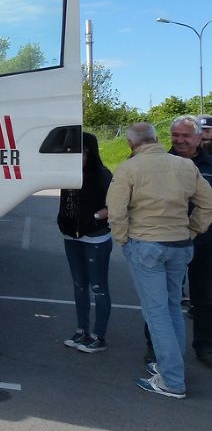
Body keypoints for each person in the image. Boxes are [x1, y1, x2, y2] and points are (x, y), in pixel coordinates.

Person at [107, 122, 212, 399]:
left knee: (156, 313)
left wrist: (123, 239)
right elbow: (208, 202)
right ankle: (172, 368)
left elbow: (116, 211)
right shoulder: (186, 166)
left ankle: (173, 380)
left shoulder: (129, 168)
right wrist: (193, 229)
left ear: (131, 144)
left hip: (146, 244)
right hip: (179, 244)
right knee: (171, 307)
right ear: (156, 139)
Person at [57, 132, 113, 353]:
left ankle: (99, 336)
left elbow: (116, 204)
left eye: (78, 150)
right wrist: (63, 221)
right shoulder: (68, 174)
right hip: (71, 236)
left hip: (96, 238)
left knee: (98, 287)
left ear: (89, 150)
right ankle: (82, 330)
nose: (71, 155)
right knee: (79, 285)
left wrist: (95, 218)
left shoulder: (102, 175)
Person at [169, 115, 212, 369]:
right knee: (163, 298)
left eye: (186, 136)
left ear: (199, 137)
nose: (180, 140)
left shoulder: (209, 165)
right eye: (176, 135)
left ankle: (205, 346)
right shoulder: (157, 163)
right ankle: (158, 348)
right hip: (166, 240)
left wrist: (196, 229)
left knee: (205, 297)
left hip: (203, 241)